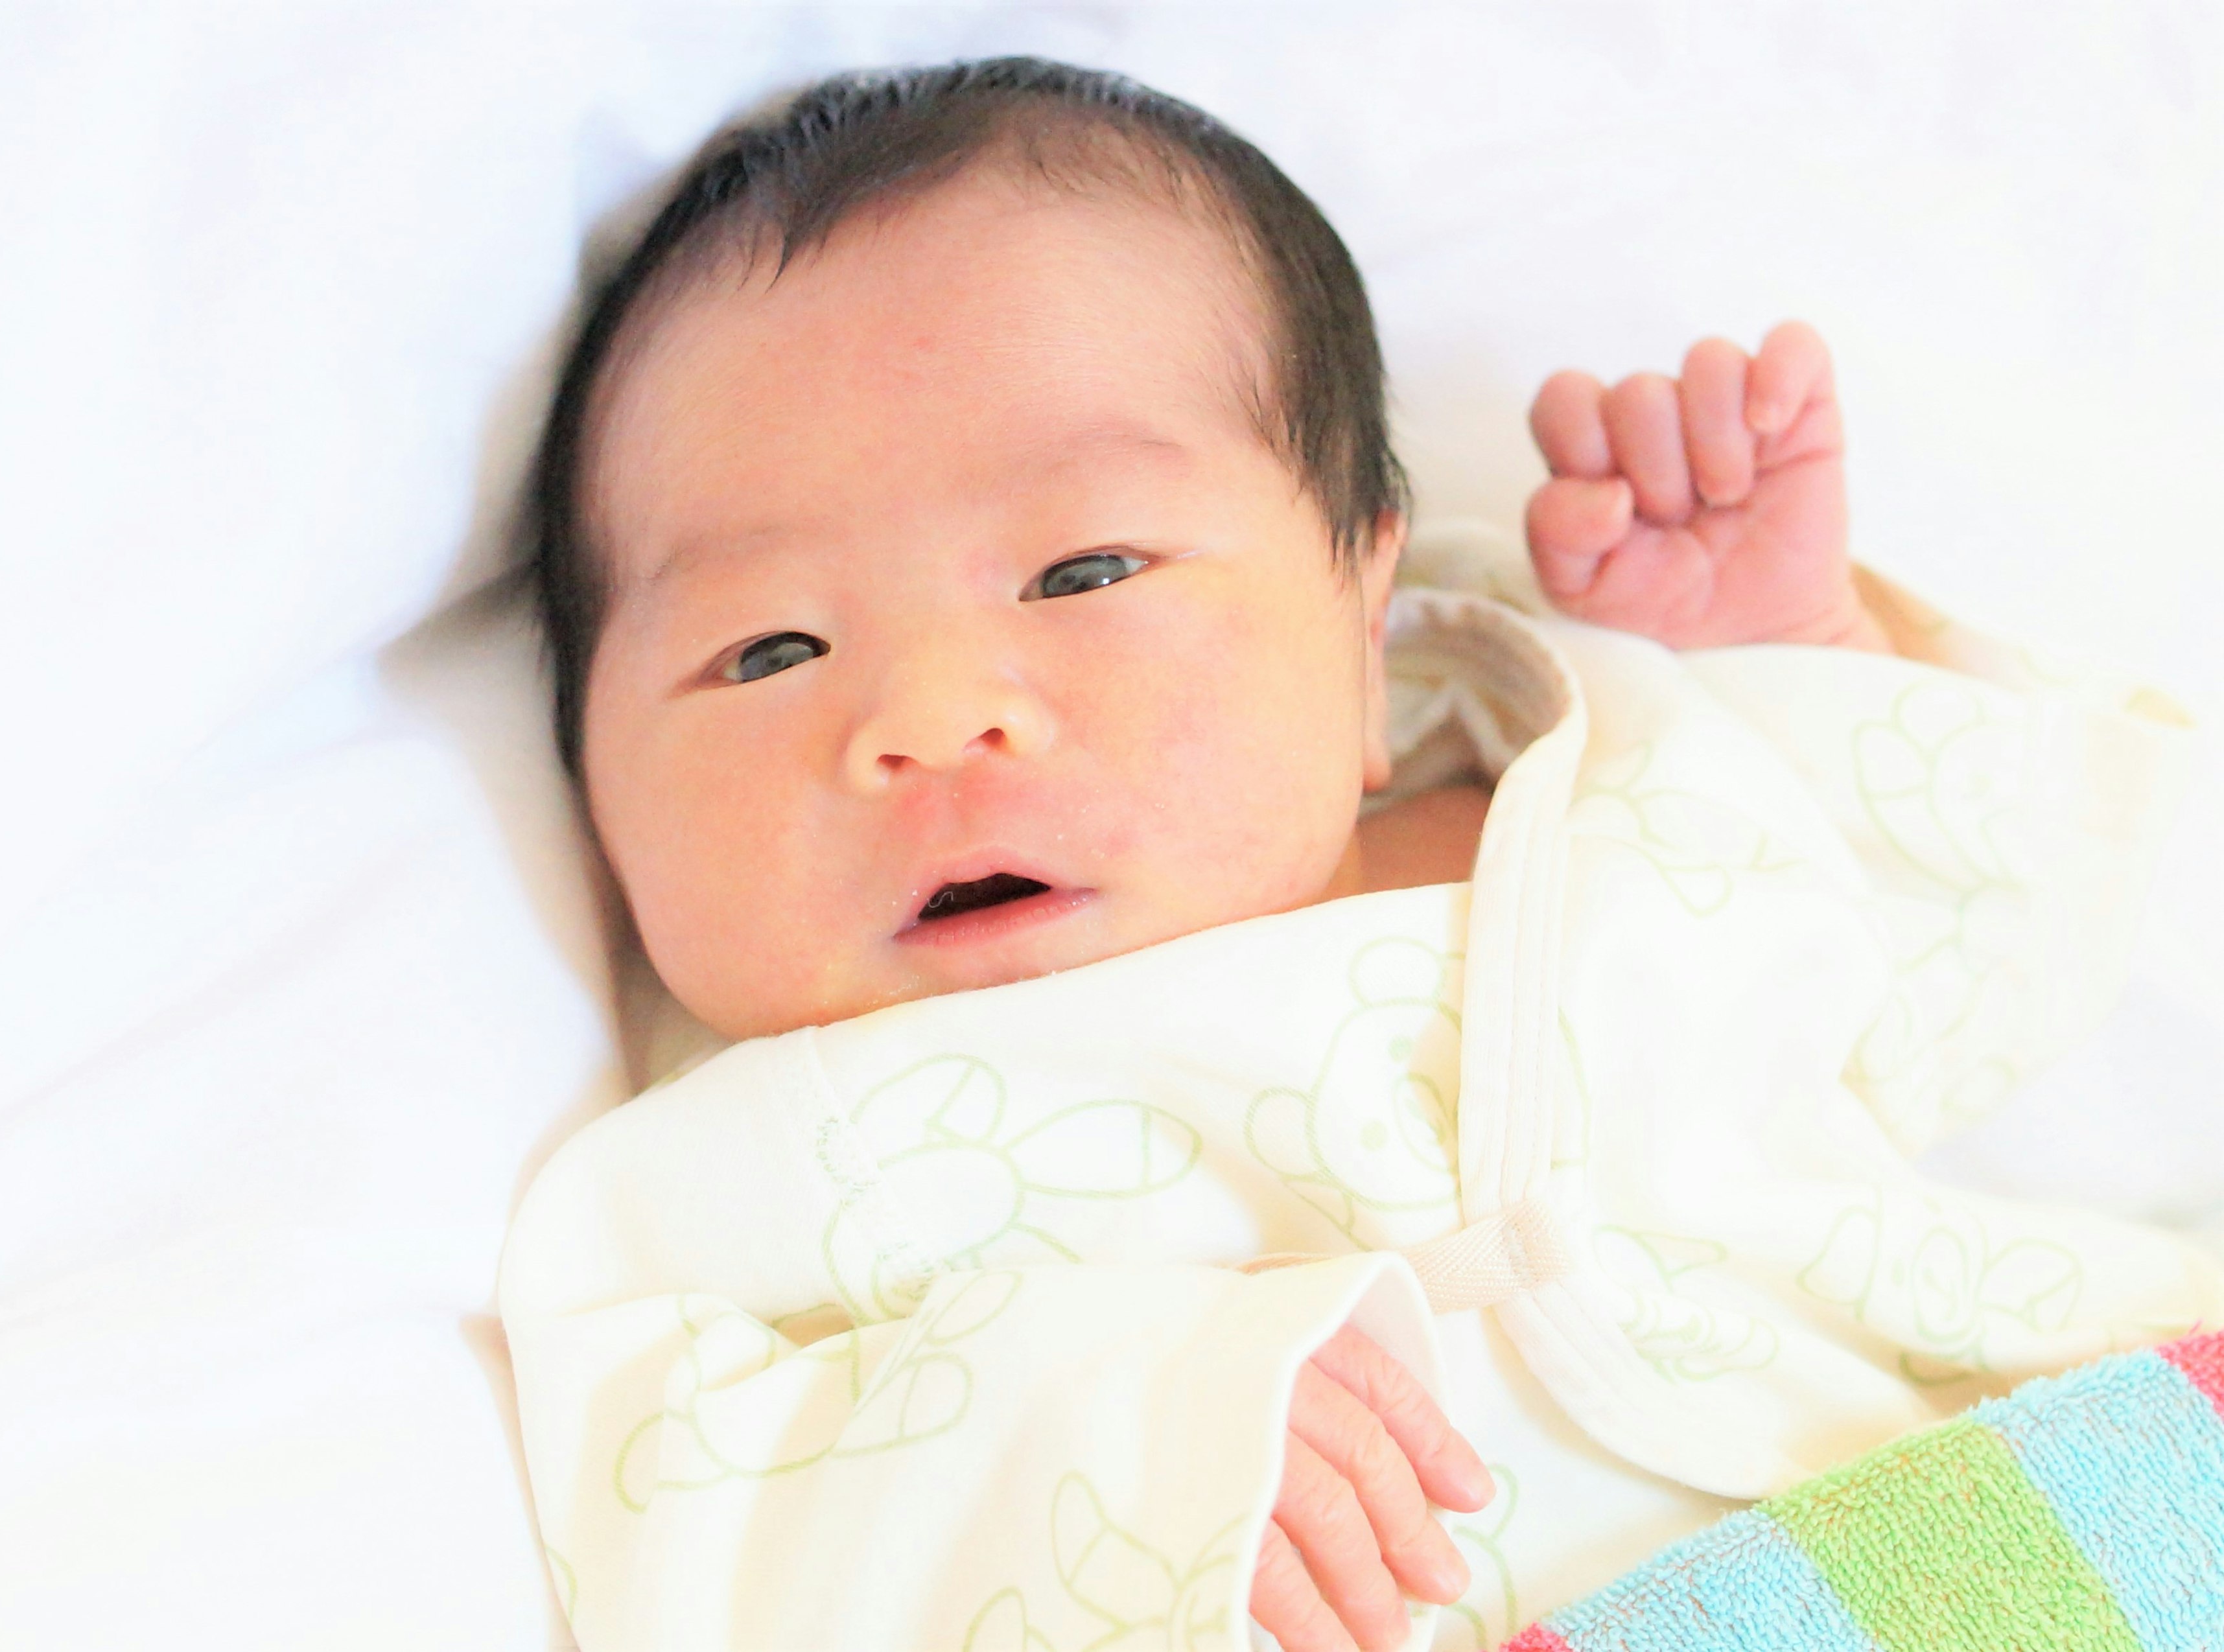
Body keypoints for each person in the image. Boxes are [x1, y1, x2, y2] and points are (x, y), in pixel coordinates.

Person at [500, 58, 2221, 1651]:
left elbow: (1969, 970)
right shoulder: (737, 1179)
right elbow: (703, 1530)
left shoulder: (1596, 795)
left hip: (2049, 1492)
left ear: (1365, 625)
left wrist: (1785, 655)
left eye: (1087, 572)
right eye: (769, 652)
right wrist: (1153, 1416)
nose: (936, 716)